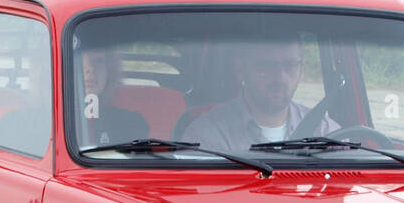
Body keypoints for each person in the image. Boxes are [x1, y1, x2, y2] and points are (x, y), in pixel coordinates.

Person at [181, 37, 335, 150]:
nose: (280, 77)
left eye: (290, 65)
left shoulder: (325, 132)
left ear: (301, 69)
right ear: (241, 70)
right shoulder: (207, 135)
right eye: (267, 66)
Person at [79, 46, 148, 145]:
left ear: (110, 71)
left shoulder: (130, 124)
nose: (90, 68)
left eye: (98, 60)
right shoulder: (51, 120)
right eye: (79, 60)